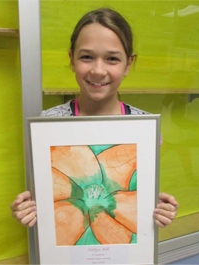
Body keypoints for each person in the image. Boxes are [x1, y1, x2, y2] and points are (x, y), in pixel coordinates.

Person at [11, 8, 178, 229]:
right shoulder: (49, 123)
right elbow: (49, 195)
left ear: (128, 64)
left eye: (112, 59)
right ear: (72, 59)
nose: (98, 70)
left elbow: (137, 191)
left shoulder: (144, 128)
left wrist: (156, 208)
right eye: (87, 57)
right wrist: (30, 209)